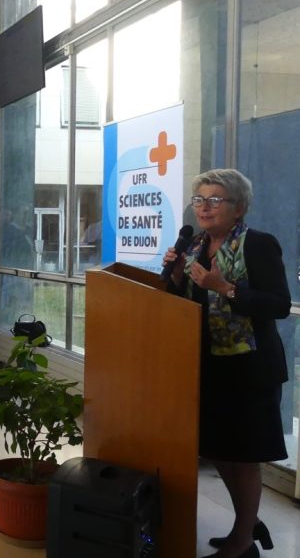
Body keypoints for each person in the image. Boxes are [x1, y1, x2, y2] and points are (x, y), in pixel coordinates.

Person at [163, 169, 290, 558]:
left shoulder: (259, 245)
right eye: (199, 199)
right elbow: (180, 299)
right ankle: (248, 521)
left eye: (215, 199)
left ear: (239, 208)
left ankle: (241, 542)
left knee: (244, 454)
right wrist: (171, 272)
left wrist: (226, 288)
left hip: (249, 368)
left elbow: (279, 305)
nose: (204, 206)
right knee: (216, 447)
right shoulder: (195, 246)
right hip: (207, 366)